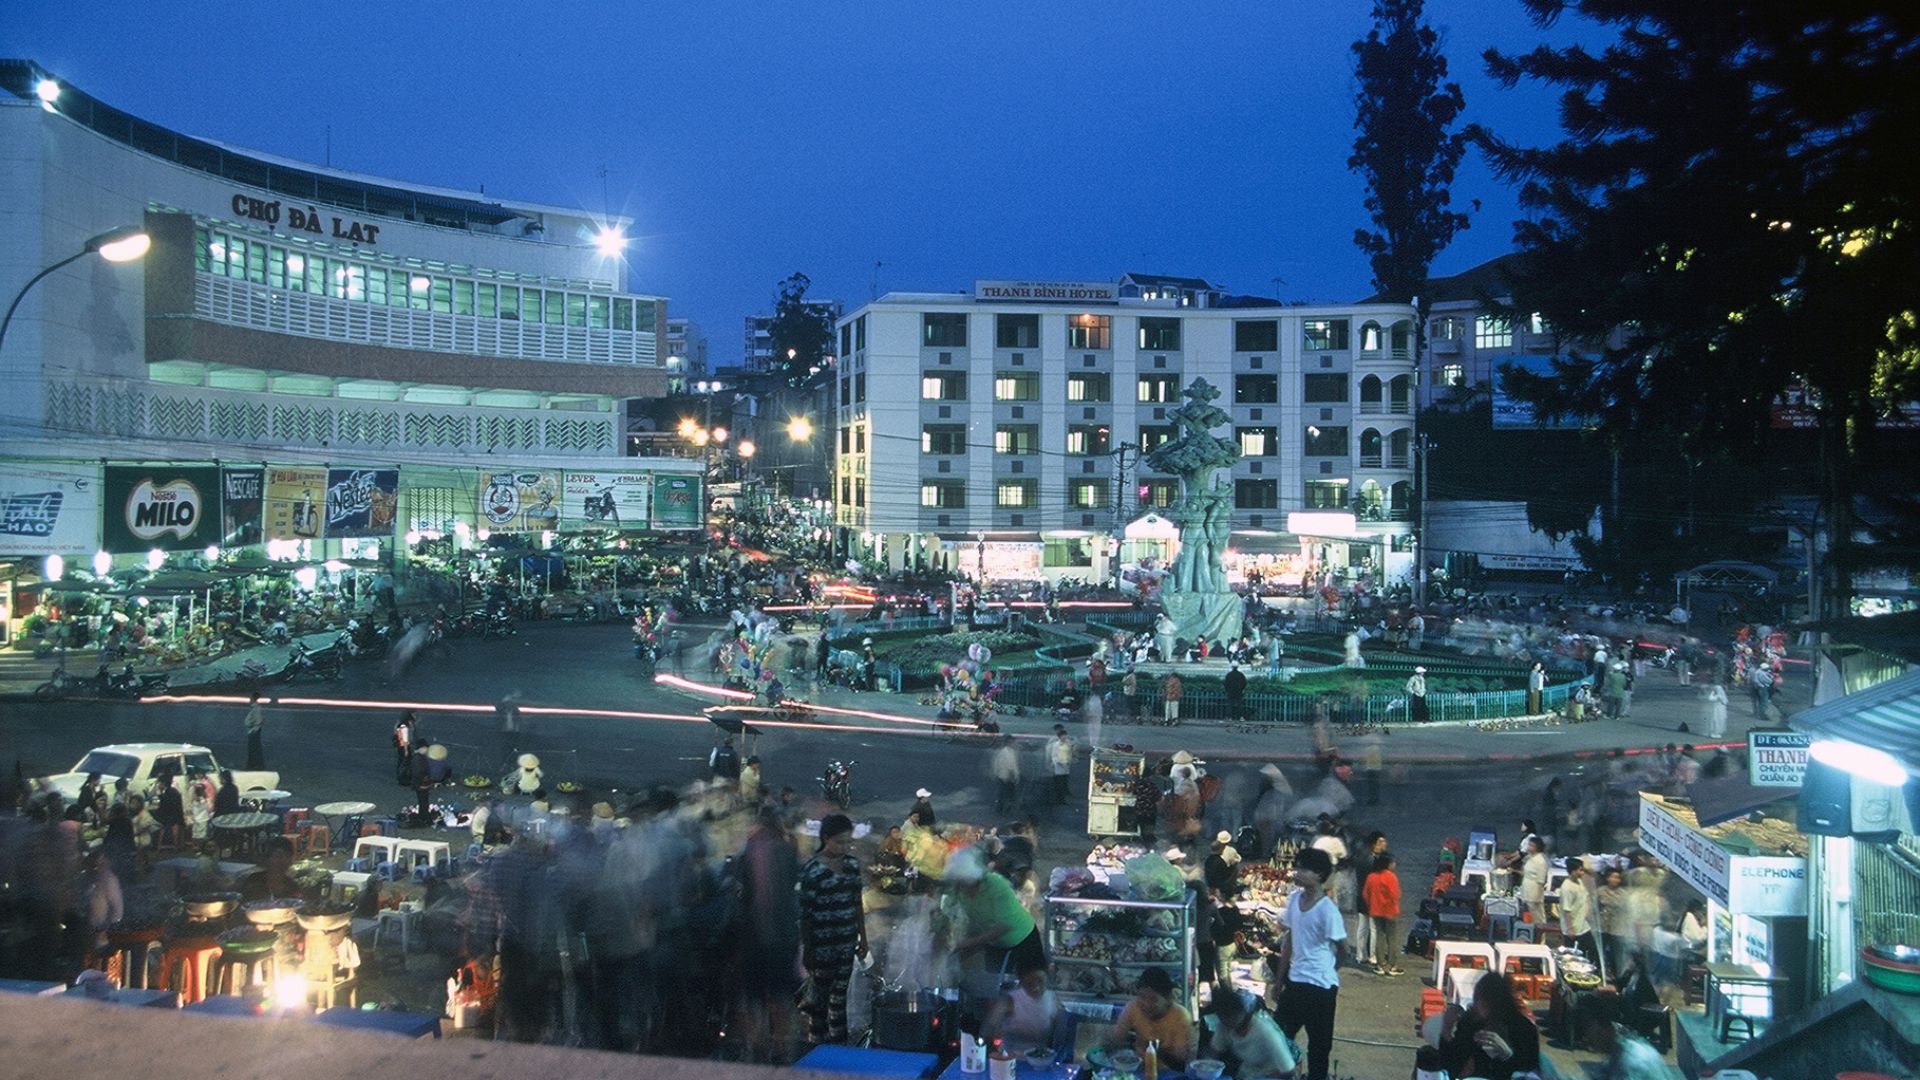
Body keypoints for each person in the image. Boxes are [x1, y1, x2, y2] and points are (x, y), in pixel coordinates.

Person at [1273, 846, 1345, 1080]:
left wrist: (1329, 968)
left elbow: (1343, 948)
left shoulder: (1328, 910)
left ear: (1320, 875)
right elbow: (1289, 943)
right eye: (1298, 866)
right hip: (1296, 983)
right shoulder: (1294, 900)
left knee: (1319, 1048)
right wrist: (1279, 981)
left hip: (1321, 988)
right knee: (1279, 1038)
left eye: (1305, 869)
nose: (1298, 872)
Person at [737, 807, 802, 1062]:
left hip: (754, 938)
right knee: (780, 997)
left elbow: (744, 892)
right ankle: (781, 1047)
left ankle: (757, 1046)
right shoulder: (786, 851)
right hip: (781, 939)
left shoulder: (751, 850)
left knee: (754, 998)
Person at [799, 813, 869, 1045]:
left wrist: (863, 939)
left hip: (846, 944)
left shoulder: (851, 866)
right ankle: (816, 1046)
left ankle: (839, 1045)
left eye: (848, 842)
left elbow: (857, 903)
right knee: (818, 1002)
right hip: (822, 948)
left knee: (839, 1000)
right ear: (826, 839)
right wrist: (808, 949)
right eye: (840, 841)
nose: (844, 847)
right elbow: (806, 916)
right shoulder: (812, 871)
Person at [942, 846, 1044, 975]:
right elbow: (948, 912)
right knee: (993, 982)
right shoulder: (959, 890)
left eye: (960, 879)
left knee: (1023, 985)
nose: (957, 883)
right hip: (994, 942)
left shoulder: (996, 885)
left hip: (1022, 939)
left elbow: (1004, 926)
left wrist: (969, 943)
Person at [1435, 971, 1541, 1080]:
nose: (1478, 1008)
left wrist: (1507, 1055)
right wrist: (1446, 1030)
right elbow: (1448, 1065)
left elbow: (1529, 1073)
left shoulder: (1524, 1029)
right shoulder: (1470, 1022)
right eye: (1477, 1002)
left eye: (1484, 1005)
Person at [1104, 966, 1196, 1070]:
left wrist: (1153, 1048)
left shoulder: (1180, 1016)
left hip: (1167, 1072)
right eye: (1142, 997)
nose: (1147, 1004)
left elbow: (1180, 1061)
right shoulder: (1133, 1008)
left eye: (1153, 999)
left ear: (1168, 999)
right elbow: (1116, 1040)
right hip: (1139, 1068)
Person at [1207, 986, 1296, 1078]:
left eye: (1231, 1016)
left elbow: (1289, 1070)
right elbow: (1215, 1051)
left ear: (1244, 1012)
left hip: (1271, 1075)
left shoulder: (1265, 1031)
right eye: (1222, 1016)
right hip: (1247, 1073)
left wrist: (1265, 1076)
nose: (1226, 1020)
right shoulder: (1224, 1025)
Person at [983, 958, 1062, 1055]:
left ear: (1047, 978)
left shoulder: (1053, 1000)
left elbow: (1062, 1030)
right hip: (1009, 1059)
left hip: (1041, 1059)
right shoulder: (1009, 1000)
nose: (1036, 987)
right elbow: (988, 1029)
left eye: (1040, 981)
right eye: (1029, 984)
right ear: (1022, 983)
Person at [1362, 852, 1403, 976]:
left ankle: (1380, 965)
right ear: (1388, 864)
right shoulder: (1391, 877)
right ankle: (1392, 966)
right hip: (1390, 911)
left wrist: (1371, 904)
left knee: (1379, 937)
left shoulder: (1371, 877)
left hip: (1375, 910)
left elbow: (1365, 894)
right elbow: (1396, 894)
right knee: (1392, 938)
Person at [1560, 858, 1598, 964]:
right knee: (1571, 955)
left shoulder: (1579, 882)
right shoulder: (1567, 887)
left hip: (1583, 926)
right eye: (1580, 870)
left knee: (1592, 951)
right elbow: (1566, 910)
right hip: (1573, 928)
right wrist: (1570, 928)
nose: (1582, 872)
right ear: (1573, 871)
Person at [1519, 835, 1550, 929]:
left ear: (1538, 847)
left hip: (1534, 893)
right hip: (1527, 891)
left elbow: (1541, 880)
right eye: (1529, 845)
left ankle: (1541, 937)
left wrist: (1536, 897)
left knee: (1538, 917)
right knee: (1529, 917)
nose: (1529, 847)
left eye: (1532, 846)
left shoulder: (1541, 861)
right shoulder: (1530, 858)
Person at [990, 736, 1022, 813]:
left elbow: (1014, 766)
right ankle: (1000, 810)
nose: (1015, 744)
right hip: (1005, 777)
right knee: (1003, 794)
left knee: (1009, 794)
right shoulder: (1003, 752)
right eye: (1013, 742)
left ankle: (1006, 809)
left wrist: (1016, 775)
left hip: (1009, 777)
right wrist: (999, 775)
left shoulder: (1012, 752)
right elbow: (1002, 765)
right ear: (1009, 743)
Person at [1049, 726, 1074, 805]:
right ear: (1060, 737)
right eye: (1063, 736)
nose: (1065, 737)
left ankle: (1062, 799)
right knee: (1059, 783)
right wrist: (1058, 762)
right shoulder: (1056, 745)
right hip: (1059, 766)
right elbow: (1054, 756)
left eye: (1065, 736)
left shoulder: (1068, 743)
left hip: (1066, 765)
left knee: (1064, 783)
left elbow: (1069, 753)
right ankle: (1058, 799)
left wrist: (1069, 760)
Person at [393, 711, 417, 786]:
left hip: (400, 746)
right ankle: (404, 777)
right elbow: (405, 739)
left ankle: (403, 777)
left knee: (402, 761)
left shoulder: (400, 724)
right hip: (404, 747)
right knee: (405, 762)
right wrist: (406, 750)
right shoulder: (405, 726)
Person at [244, 692, 266, 770]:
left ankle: (254, 765)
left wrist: (254, 728)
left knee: (254, 749)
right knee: (254, 749)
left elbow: (259, 720)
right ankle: (254, 765)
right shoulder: (255, 708)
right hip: (252, 731)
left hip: (253, 731)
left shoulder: (256, 709)